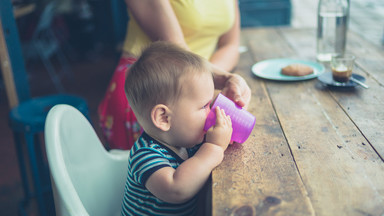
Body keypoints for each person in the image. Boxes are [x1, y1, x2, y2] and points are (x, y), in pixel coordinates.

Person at [98, 0, 251, 149]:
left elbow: (230, 45)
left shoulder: (200, 86)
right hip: (151, 90)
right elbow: (176, 50)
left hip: (197, 88)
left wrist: (208, 86)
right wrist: (213, 81)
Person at [121, 42, 233, 215]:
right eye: (204, 106)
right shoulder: (145, 155)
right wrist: (214, 147)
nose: (211, 112)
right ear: (164, 118)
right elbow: (177, 189)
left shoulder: (183, 138)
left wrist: (221, 137)